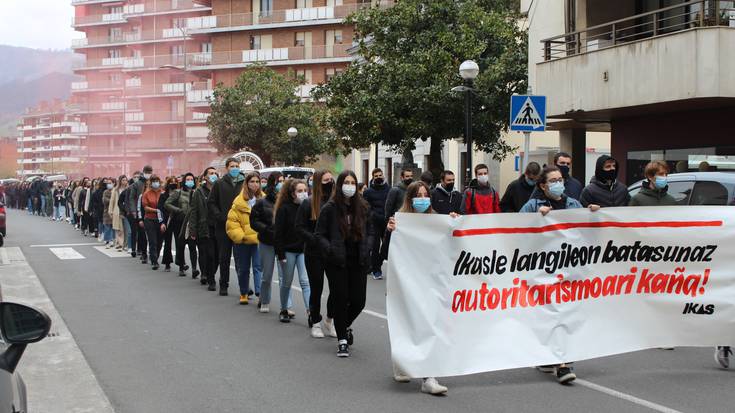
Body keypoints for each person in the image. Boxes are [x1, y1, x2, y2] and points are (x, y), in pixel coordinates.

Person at [520, 165, 599, 384]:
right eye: (553, 180)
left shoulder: (574, 205)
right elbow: (518, 233)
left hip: (569, 269)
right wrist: (537, 219)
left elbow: (585, 233)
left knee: (565, 313)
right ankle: (551, 357)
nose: (558, 183)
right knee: (550, 313)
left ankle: (564, 364)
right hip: (543, 270)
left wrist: (591, 214)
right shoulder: (532, 206)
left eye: (560, 179)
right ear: (543, 185)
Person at [386, 181, 450, 395]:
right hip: (406, 281)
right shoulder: (400, 220)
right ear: (410, 198)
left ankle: (428, 377)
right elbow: (391, 250)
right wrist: (391, 230)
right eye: (418, 195)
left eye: (426, 195)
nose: (423, 198)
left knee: (429, 325)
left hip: (430, 282)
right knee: (407, 322)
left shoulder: (436, 220)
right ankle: (402, 361)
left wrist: (455, 223)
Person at [315, 170, 374, 358]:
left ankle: (344, 325)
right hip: (337, 262)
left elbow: (372, 230)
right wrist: (330, 250)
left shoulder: (363, 207)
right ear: (339, 185)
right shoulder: (330, 208)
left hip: (359, 260)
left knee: (358, 300)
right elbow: (319, 235)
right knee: (341, 299)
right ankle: (342, 340)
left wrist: (369, 246)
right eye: (346, 182)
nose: (349, 185)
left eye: (352, 182)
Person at [296, 169, 337, 338]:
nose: (330, 183)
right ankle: (315, 321)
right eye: (326, 180)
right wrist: (314, 240)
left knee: (336, 288)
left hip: (333, 252)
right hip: (314, 253)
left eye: (331, 180)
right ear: (319, 182)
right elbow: (299, 227)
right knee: (316, 287)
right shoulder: (309, 203)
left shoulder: (337, 202)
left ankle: (329, 318)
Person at [251, 172, 290, 314]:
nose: (282, 183)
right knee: (266, 275)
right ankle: (265, 300)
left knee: (284, 276)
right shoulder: (262, 202)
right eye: (279, 181)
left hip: (283, 244)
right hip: (267, 242)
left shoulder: (287, 201)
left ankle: (286, 306)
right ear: (272, 183)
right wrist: (266, 229)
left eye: (283, 181)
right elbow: (253, 221)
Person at [274, 179, 311, 323]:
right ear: (292, 193)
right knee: (287, 282)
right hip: (288, 251)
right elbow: (278, 233)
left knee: (305, 281)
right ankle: (284, 309)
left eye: (305, 191)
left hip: (303, 250)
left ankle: (310, 312)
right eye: (299, 191)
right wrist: (280, 253)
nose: (303, 194)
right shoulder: (284, 209)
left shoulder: (308, 207)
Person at [208, 158, 245, 296]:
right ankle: (224, 284)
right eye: (232, 166)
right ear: (227, 168)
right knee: (224, 257)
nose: (234, 168)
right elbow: (211, 203)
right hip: (223, 226)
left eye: (237, 166)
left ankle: (244, 285)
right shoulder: (219, 183)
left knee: (241, 258)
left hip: (240, 227)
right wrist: (220, 216)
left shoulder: (244, 183)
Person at [226, 172, 263, 305]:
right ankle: (243, 292)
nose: (255, 184)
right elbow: (232, 223)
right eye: (252, 181)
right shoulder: (238, 201)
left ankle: (260, 293)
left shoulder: (264, 200)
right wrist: (241, 237)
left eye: (257, 181)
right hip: (243, 241)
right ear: (246, 183)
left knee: (259, 267)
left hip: (259, 240)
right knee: (243, 268)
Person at [189, 167, 219, 289]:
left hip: (217, 226)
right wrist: (192, 229)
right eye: (211, 173)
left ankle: (210, 272)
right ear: (205, 177)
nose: (213, 175)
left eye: (215, 173)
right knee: (206, 253)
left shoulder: (219, 190)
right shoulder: (199, 192)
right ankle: (206, 276)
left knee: (217, 255)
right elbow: (194, 211)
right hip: (204, 226)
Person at [165, 172, 199, 278]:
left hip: (193, 223)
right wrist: (178, 210)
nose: (190, 181)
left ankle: (194, 269)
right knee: (181, 245)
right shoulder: (178, 192)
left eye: (191, 179)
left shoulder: (197, 192)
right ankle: (181, 267)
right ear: (184, 181)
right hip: (180, 222)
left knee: (193, 246)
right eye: (187, 179)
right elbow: (167, 203)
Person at [362, 168, 390, 280]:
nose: (379, 177)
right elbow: (366, 207)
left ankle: (377, 264)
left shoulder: (389, 189)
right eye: (376, 176)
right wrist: (373, 215)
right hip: (373, 223)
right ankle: (376, 270)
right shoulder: (368, 191)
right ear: (373, 177)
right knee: (375, 246)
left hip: (386, 221)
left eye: (380, 175)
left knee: (386, 246)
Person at [129, 166, 152, 262]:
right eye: (147, 171)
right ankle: (143, 253)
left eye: (150, 171)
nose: (148, 173)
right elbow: (132, 198)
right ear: (143, 172)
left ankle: (152, 252)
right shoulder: (137, 184)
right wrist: (134, 211)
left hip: (152, 210)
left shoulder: (153, 182)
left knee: (151, 234)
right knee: (142, 234)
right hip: (141, 210)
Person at [142, 175, 165, 270]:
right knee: (152, 241)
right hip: (149, 219)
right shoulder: (146, 194)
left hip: (160, 220)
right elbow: (145, 207)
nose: (156, 183)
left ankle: (156, 255)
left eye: (157, 181)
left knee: (160, 241)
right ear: (150, 183)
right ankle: (154, 261)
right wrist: (156, 210)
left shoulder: (163, 193)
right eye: (153, 181)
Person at [157, 177, 178, 272]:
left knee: (179, 243)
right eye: (171, 182)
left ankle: (182, 264)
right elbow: (159, 210)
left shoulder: (180, 194)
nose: (173, 184)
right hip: (167, 221)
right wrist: (162, 223)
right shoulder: (163, 195)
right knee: (168, 243)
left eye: (175, 182)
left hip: (178, 220)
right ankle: (167, 263)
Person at [110, 175, 128, 251]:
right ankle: (120, 244)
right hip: (117, 210)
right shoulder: (115, 190)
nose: (124, 181)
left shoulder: (128, 189)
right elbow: (112, 201)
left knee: (126, 229)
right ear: (120, 181)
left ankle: (125, 244)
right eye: (123, 180)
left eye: (125, 180)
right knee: (119, 228)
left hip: (126, 210)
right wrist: (110, 211)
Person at [102, 178, 115, 248]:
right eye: (108, 183)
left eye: (110, 183)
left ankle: (112, 239)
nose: (109, 185)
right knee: (107, 226)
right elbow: (104, 200)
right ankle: (107, 239)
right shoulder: (105, 192)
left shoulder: (115, 191)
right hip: (107, 211)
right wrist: (112, 200)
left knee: (113, 226)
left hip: (114, 211)